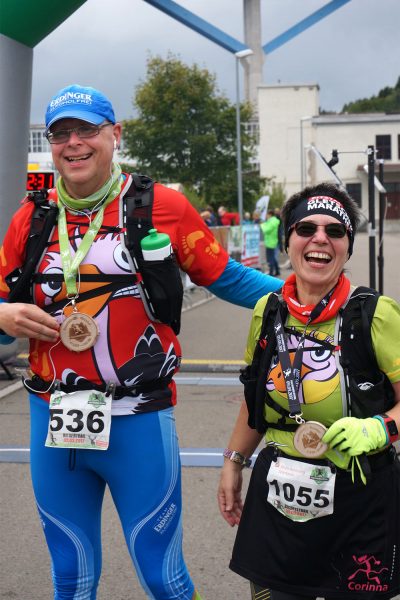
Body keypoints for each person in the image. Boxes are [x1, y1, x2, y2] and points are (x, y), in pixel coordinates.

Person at [0, 84, 283, 600]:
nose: (73, 143)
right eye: (62, 133)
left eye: (87, 130)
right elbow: (1, 315)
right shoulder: (32, 217)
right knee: (70, 578)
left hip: (140, 415)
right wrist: (4, 314)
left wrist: (309, 293)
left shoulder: (162, 206)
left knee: (164, 579)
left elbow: (228, 278)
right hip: (54, 416)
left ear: (115, 134)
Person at [218, 182, 400, 600]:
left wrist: (381, 428)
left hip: (361, 497)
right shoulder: (268, 312)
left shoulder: (375, 314)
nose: (320, 238)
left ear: (347, 248)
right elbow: (256, 402)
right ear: (288, 241)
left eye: (335, 231)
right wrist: (233, 462)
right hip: (281, 496)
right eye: (306, 228)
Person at [260, 209, 281, 276]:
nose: (266, 216)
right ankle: (277, 271)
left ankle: (271, 273)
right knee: (273, 257)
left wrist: (262, 225)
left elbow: (266, 230)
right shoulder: (273, 221)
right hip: (273, 241)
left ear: (270, 214)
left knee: (270, 258)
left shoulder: (272, 221)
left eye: (267, 215)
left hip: (270, 242)